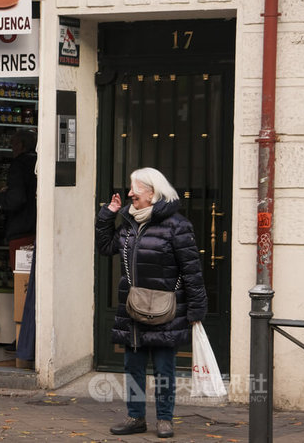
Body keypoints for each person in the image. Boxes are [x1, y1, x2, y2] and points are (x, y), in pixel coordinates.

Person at [95, 167, 207, 439]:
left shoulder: (178, 225)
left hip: (166, 309)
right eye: (131, 188)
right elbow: (106, 247)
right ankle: (135, 418)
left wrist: (195, 309)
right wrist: (107, 215)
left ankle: (165, 420)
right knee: (133, 367)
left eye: (136, 189)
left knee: (164, 368)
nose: (130, 193)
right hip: (133, 307)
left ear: (153, 193)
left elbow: (192, 270)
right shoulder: (130, 223)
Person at [0, 129, 37, 356]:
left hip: (20, 231)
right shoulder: (38, 163)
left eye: (13, 144)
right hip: (34, 228)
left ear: (21, 146)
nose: (11, 148)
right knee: (30, 283)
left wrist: (1, 198)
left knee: (21, 283)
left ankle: (22, 337)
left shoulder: (19, 166)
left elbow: (16, 198)